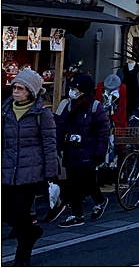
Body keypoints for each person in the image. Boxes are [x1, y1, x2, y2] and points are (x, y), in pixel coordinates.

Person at [2, 69, 58, 265]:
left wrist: (51, 175)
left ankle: (22, 256)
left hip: (30, 172)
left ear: (31, 92)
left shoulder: (42, 114)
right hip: (7, 169)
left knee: (19, 212)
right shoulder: (5, 111)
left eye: (21, 88)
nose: (16, 91)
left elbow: (50, 145)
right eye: (14, 87)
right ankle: (32, 232)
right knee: (5, 212)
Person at [56, 75, 110, 228]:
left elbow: (103, 132)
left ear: (83, 91)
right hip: (72, 150)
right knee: (73, 183)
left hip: (88, 151)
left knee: (86, 182)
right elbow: (61, 125)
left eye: (74, 89)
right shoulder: (69, 107)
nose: (71, 92)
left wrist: (100, 152)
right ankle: (77, 214)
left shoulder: (95, 107)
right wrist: (58, 145)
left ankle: (99, 201)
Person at [94, 74, 127, 183]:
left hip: (115, 124)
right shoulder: (100, 89)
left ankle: (111, 176)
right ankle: (101, 176)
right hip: (102, 124)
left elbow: (123, 107)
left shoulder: (122, 90)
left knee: (114, 148)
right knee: (102, 146)